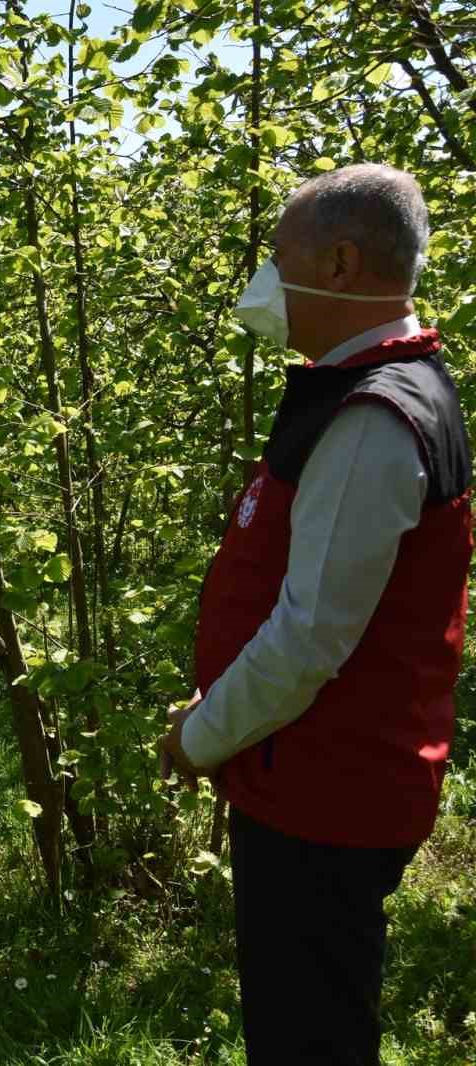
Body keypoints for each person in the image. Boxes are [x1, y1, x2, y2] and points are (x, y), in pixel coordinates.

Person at [158, 165, 470, 1065]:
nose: (263, 277)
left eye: (277, 254)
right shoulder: (361, 389)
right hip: (314, 780)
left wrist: (201, 735)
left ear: (337, 263)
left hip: (327, 796)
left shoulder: (375, 417)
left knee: (310, 1039)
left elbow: (309, 638)